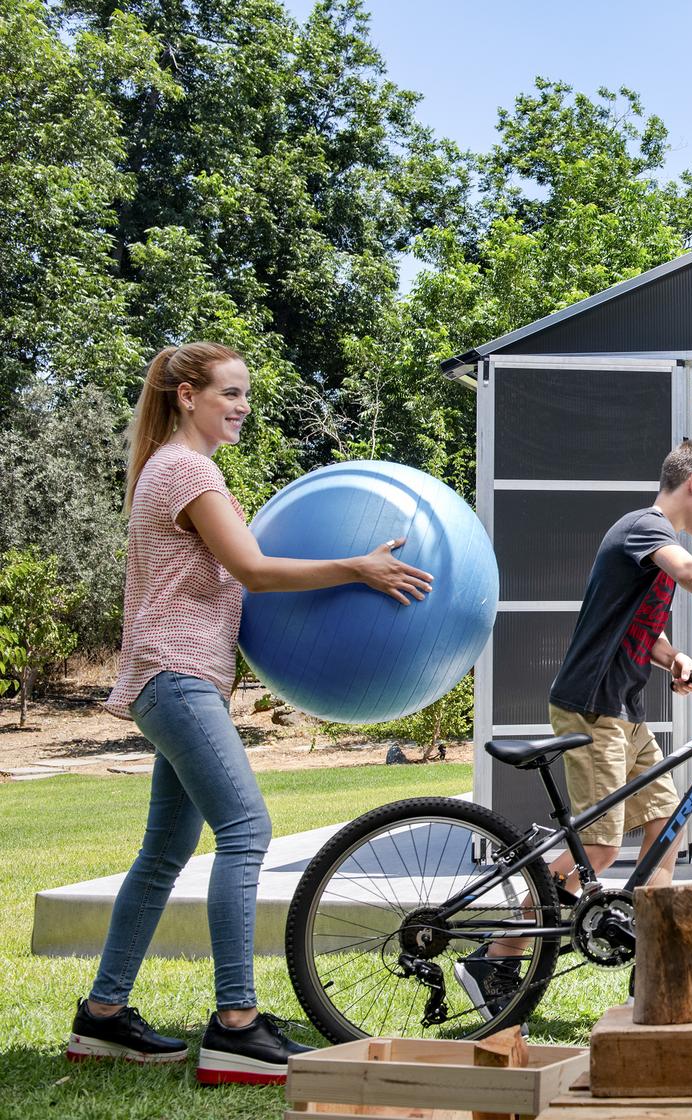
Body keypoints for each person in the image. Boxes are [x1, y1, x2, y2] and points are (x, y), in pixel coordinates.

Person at [67, 342, 433, 1085]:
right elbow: (254, 571)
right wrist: (358, 567)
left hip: (175, 676)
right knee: (247, 829)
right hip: (176, 675)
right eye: (229, 394)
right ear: (186, 395)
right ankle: (236, 1023)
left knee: (165, 853)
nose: (241, 408)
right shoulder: (186, 469)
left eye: (245, 396)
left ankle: (102, 1019)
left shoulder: (177, 470)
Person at [456, 437, 692, 1017]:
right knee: (598, 849)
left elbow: (636, 628)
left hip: (624, 710)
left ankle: (652, 970)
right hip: (592, 707)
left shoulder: (653, 542)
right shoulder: (645, 529)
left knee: (666, 824)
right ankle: (496, 954)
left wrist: (673, 657)